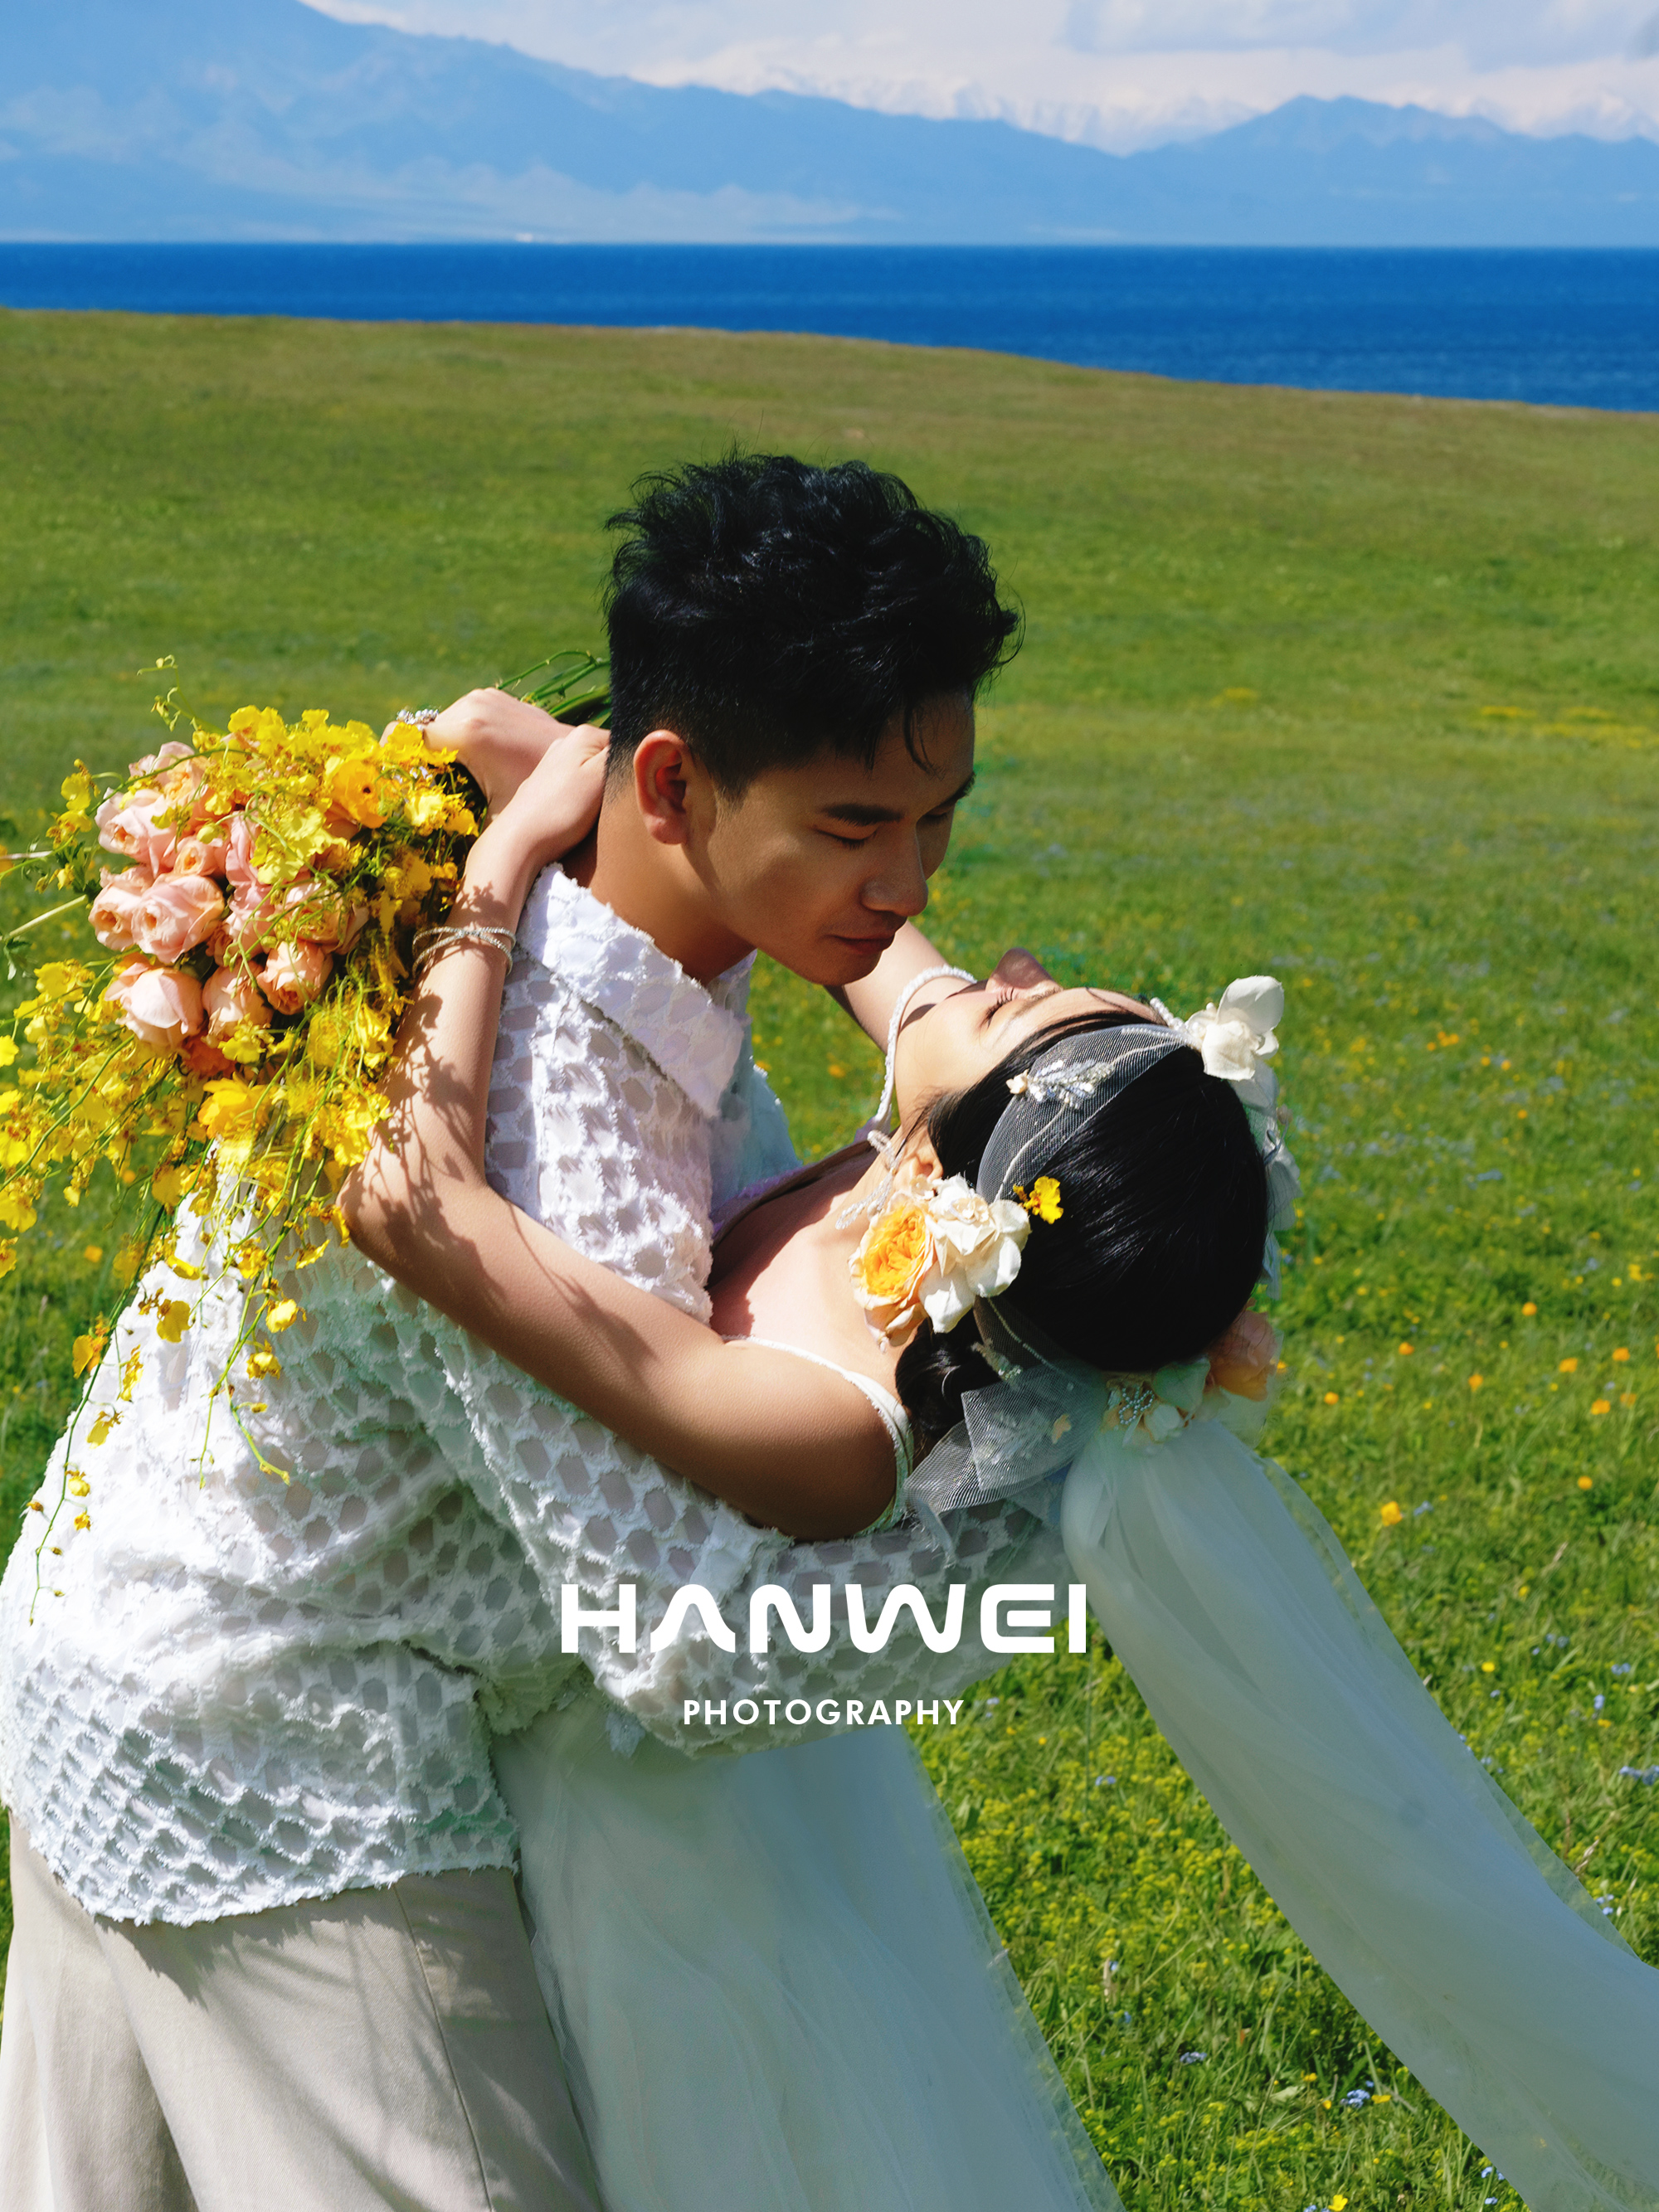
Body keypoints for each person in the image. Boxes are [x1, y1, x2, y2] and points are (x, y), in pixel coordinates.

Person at [349, 724, 1659, 2212]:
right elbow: (866, 947)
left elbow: (407, 1202)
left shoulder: (834, 1433)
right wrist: (645, 796)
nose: (998, 966)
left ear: (969, 1168)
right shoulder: (967, 1201)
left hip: (621, 1825)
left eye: (1009, 1004)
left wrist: (507, 858)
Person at [0, 453, 1026, 2212]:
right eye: (858, 828)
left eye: (936, 820)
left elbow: (849, 939)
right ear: (668, 781)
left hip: (100, 1651)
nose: (905, 880)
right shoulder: (561, 1116)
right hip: (282, 1771)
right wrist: (1042, 1530)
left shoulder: (575, 914)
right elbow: (682, 1650)